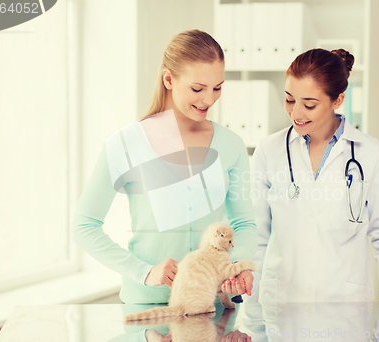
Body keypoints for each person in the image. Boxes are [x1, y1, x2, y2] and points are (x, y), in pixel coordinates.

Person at [72, 29, 257, 305]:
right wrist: (144, 271)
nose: (209, 99)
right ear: (169, 79)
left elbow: (243, 222)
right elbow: (84, 226)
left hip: (209, 303)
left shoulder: (231, 145)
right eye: (197, 88)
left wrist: (240, 265)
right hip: (147, 307)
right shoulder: (126, 144)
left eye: (217, 87)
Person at [250, 48, 379, 307]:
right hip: (281, 305)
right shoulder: (269, 150)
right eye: (289, 100)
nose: (296, 113)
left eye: (309, 104)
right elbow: (258, 234)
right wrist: (250, 306)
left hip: (345, 305)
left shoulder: (373, 154)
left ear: (338, 100)